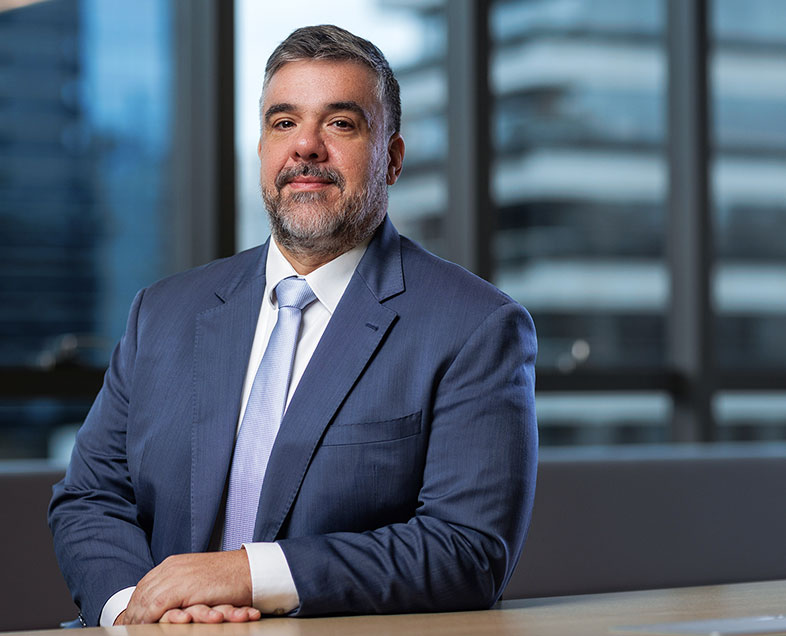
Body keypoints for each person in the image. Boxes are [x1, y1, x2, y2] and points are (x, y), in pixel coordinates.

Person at [49, 24, 538, 626]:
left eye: (340, 123)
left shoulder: (477, 327)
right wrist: (137, 611)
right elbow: (90, 498)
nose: (306, 146)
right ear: (261, 149)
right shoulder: (163, 312)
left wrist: (251, 574)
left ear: (391, 158)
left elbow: (468, 551)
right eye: (284, 123)